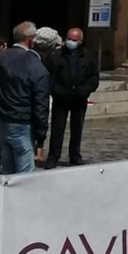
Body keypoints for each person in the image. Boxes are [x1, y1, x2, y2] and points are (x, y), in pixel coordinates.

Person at [0, 21, 50, 175]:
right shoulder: (36, 66)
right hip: (22, 121)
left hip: (2, 119)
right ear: (31, 39)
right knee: (24, 173)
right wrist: (40, 138)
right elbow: (41, 105)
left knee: (7, 167)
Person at [44, 27, 100, 168]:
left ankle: (75, 155)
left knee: (77, 128)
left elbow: (93, 77)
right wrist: (55, 90)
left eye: (74, 40)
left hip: (79, 98)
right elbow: (49, 76)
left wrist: (86, 90)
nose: (70, 42)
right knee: (57, 129)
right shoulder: (56, 55)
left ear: (80, 41)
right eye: (69, 38)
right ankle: (53, 157)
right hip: (60, 98)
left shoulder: (87, 56)